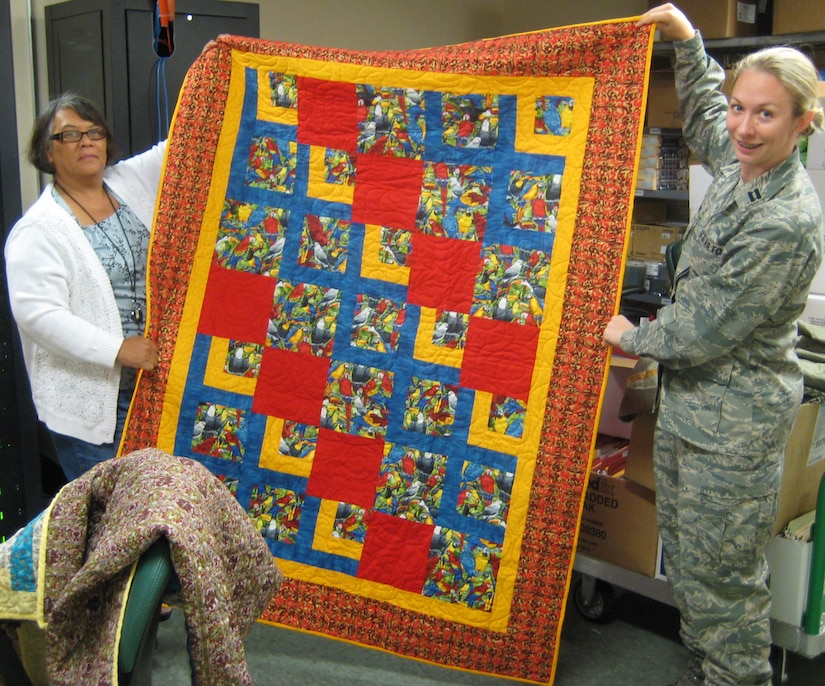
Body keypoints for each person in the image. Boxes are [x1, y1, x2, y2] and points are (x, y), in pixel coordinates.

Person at [603, 5, 824, 686]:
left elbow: (705, 327)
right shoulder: (739, 165)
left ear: (801, 124)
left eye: (764, 114)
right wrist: (687, 43)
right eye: (739, 107)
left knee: (722, 585)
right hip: (692, 413)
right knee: (696, 573)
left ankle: (734, 678)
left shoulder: (784, 221)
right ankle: (708, 674)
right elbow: (701, 113)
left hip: (730, 431)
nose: (741, 126)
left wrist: (630, 335)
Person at [5, 92, 164, 481]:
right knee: (111, 525)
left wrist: (213, 60)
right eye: (70, 135)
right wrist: (118, 350)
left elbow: (182, 139)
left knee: (153, 517)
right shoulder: (39, 229)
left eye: (94, 132)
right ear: (48, 153)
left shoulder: (128, 182)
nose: (86, 141)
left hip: (153, 389)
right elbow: (39, 316)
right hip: (92, 408)